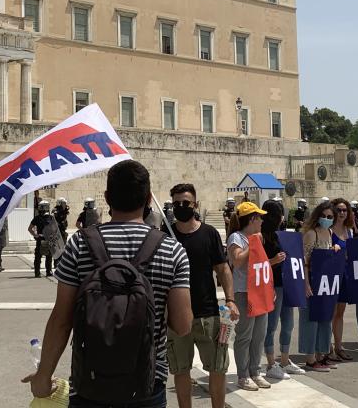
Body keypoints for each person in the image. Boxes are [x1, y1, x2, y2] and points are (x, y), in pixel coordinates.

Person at [22, 160, 192, 407]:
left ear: (107, 197)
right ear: (147, 200)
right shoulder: (172, 250)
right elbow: (183, 324)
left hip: (90, 382)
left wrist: (44, 374)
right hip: (146, 384)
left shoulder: (79, 244)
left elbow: (62, 318)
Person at [167, 183, 238, 408]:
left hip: (208, 313)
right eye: (176, 203)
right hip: (176, 316)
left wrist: (230, 300)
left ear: (195, 204)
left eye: (185, 203)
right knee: (181, 369)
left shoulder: (208, 234)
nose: (181, 207)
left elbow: (223, 268)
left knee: (217, 367)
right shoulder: (165, 235)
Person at [227, 201, 273, 390]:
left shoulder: (257, 237)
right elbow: (236, 261)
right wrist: (253, 242)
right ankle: (243, 375)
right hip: (244, 292)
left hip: (260, 292)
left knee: (259, 334)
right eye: (259, 217)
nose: (262, 221)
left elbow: (262, 265)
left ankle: (255, 371)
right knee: (244, 335)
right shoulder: (236, 238)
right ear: (252, 219)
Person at [261, 199, 305, 380]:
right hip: (273, 285)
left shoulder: (281, 235)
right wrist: (274, 261)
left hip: (287, 283)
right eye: (279, 214)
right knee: (271, 326)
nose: (282, 217)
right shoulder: (262, 236)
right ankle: (271, 364)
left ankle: (285, 360)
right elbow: (257, 264)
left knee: (288, 324)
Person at [299, 201, 341, 372]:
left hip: (327, 285)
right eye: (323, 216)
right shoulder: (311, 234)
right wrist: (306, 284)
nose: (326, 219)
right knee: (311, 320)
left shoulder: (330, 232)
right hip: (313, 283)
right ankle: (310, 359)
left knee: (325, 319)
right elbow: (305, 262)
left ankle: (321, 355)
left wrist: (335, 248)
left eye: (330, 217)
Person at [329, 198, 355, 361]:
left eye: (345, 210)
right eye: (339, 210)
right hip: (331, 274)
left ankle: (339, 346)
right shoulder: (329, 230)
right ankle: (328, 347)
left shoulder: (349, 230)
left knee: (340, 312)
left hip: (345, 274)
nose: (342, 213)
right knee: (331, 312)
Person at [28, 200, 54, 278]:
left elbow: (54, 228)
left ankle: (47, 271)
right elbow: (30, 228)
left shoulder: (51, 217)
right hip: (41, 239)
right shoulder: (37, 218)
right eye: (44, 207)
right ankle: (37, 272)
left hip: (48, 239)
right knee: (38, 257)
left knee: (49, 256)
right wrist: (35, 235)